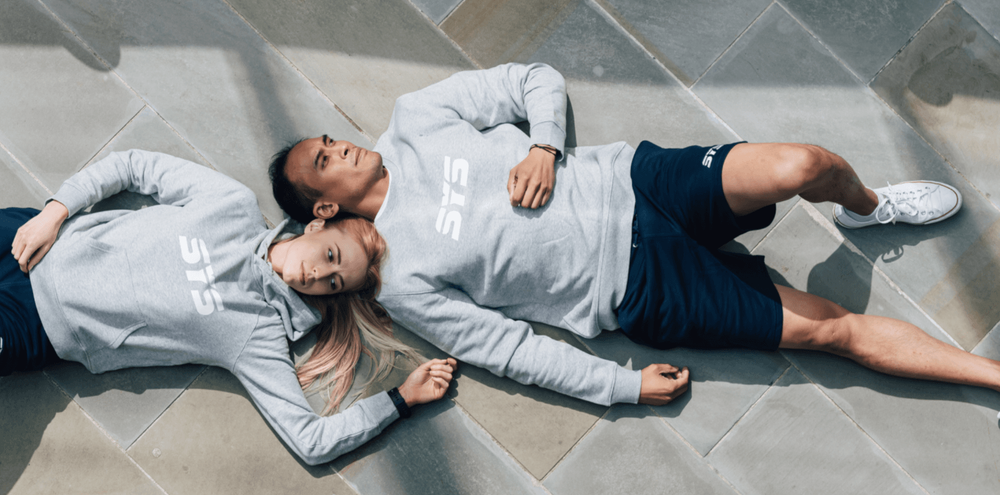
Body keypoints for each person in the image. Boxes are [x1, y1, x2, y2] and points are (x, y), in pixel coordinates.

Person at [269, 62, 1000, 408]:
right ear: (322, 208)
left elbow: (533, 80)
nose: (343, 148)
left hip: (637, 183)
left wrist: (543, 146)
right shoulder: (403, 280)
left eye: (331, 139)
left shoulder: (416, 117)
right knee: (831, 332)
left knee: (805, 163)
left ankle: (868, 207)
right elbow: (510, 351)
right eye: (324, 161)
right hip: (642, 290)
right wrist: (618, 385)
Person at [1, 149, 457, 465]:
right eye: (331, 256)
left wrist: (399, 400)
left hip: (33, 325)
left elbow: (310, 439)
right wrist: (55, 211)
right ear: (318, 226)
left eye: (334, 282)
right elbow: (136, 165)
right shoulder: (232, 204)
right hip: (34, 238)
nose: (319, 275)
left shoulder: (255, 335)